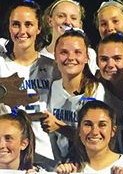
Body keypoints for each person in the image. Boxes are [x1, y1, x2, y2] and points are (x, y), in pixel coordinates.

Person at [0, 0, 57, 168]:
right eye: (16, 24)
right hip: (8, 157)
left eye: (28, 24)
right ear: (9, 27)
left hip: (47, 154)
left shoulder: (53, 67)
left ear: (39, 28)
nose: (22, 30)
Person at [42, 28, 105, 165]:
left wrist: (60, 127)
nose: (71, 58)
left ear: (87, 58)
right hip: (61, 164)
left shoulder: (96, 90)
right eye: (64, 52)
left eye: (77, 52)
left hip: (89, 163)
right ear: (55, 57)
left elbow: (94, 137)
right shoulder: (54, 87)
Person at [54, 101, 123, 174]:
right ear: (79, 130)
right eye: (88, 124)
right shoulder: (68, 167)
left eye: (102, 125)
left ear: (113, 131)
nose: (95, 132)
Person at [41, 0, 98, 74]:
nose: (67, 22)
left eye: (73, 18)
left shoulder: (90, 54)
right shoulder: (40, 58)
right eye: (61, 16)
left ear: (80, 25)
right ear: (50, 21)